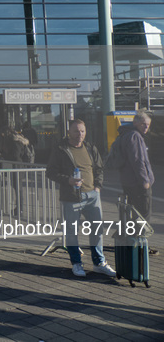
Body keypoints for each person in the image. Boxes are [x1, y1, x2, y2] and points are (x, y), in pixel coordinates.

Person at [46, 119, 116, 278]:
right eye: (76, 131)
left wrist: (98, 186)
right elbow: (50, 172)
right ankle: (76, 264)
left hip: (92, 195)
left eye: (82, 131)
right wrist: (68, 180)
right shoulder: (61, 149)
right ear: (69, 132)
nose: (80, 134)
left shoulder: (90, 147)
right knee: (72, 232)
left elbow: (99, 168)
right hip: (71, 197)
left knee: (97, 229)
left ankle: (99, 263)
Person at [117, 111, 157, 255]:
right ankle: (141, 246)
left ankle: (133, 244)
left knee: (133, 215)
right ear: (135, 123)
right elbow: (138, 160)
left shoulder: (125, 134)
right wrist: (145, 181)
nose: (146, 127)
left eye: (148, 125)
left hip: (128, 182)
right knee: (143, 216)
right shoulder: (135, 136)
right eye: (143, 124)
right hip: (138, 184)